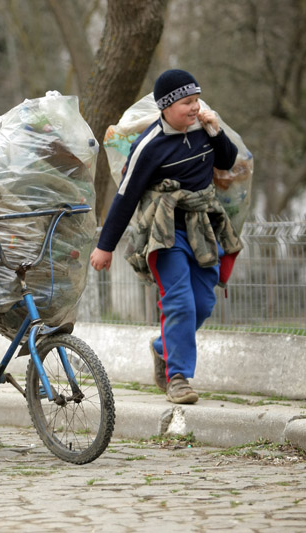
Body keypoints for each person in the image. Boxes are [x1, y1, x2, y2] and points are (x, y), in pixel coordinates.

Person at [90, 69, 242, 405]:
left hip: (202, 229)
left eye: (197, 100)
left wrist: (216, 132)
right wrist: (105, 247)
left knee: (202, 304)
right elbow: (126, 197)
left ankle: (163, 347)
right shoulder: (149, 146)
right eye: (187, 102)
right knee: (179, 303)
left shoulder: (204, 130)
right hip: (166, 234)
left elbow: (228, 161)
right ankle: (178, 379)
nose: (195, 107)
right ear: (167, 106)